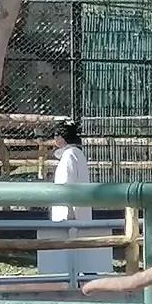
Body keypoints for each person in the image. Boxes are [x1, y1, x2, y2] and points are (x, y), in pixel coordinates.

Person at [38, 120, 113, 281]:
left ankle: (79, 279)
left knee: (73, 247)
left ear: (62, 138)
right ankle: (85, 276)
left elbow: (67, 184)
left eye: (56, 135)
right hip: (77, 208)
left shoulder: (69, 155)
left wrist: (67, 210)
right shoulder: (76, 154)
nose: (54, 139)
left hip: (70, 210)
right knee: (80, 249)